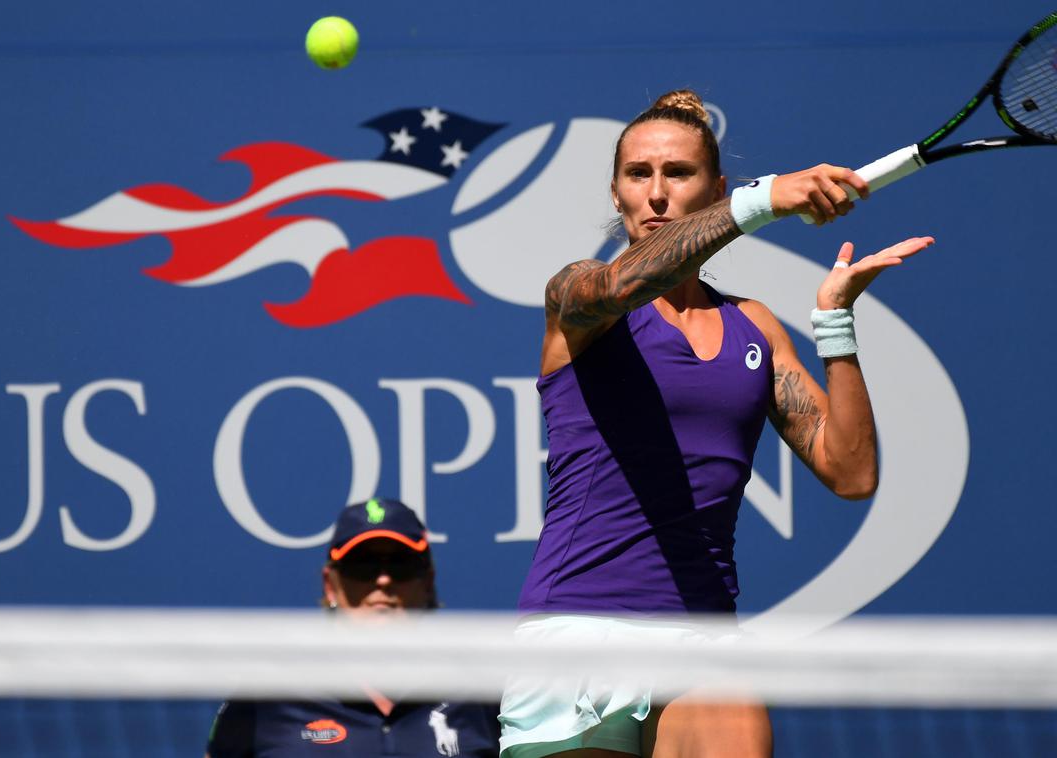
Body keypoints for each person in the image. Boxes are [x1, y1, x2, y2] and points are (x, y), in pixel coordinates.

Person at [498, 90, 934, 758]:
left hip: (704, 634)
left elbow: (850, 472)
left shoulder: (753, 327)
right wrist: (761, 202)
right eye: (638, 174)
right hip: (578, 630)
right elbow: (619, 290)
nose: (657, 194)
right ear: (615, 193)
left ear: (713, 188)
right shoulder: (579, 295)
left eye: (679, 174)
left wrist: (836, 321)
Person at [206, 497, 501, 757]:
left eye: (400, 564)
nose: (382, 580)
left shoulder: (482, 693)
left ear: (427, 582)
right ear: (330, 585)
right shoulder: (267, 691)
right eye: (362, 564)